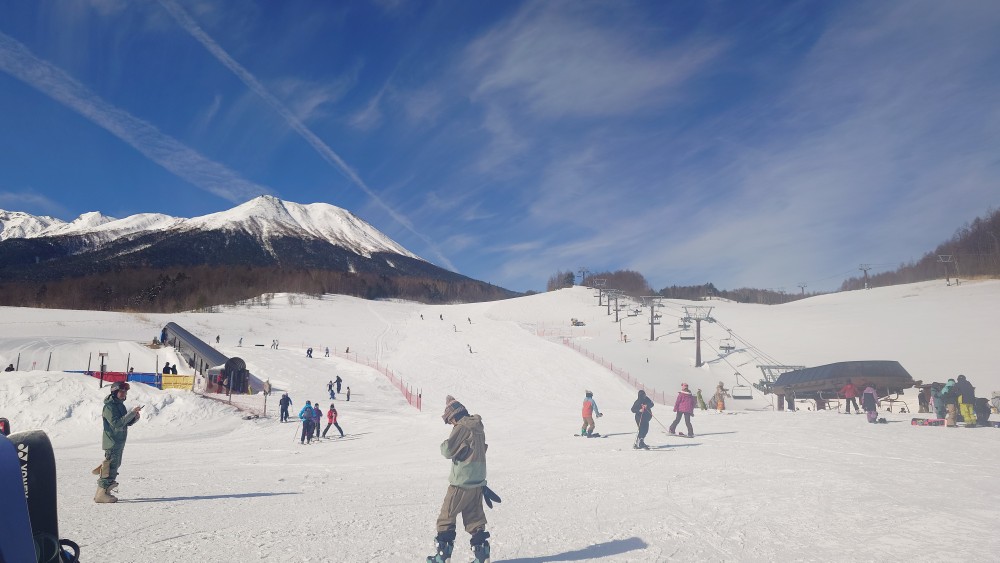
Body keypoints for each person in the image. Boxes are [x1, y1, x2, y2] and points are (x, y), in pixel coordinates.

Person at [428, 396, 490, 563]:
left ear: (455, 415)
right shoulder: (478, 426)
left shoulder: (462, 426)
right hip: (477, 482)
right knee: (474, 518)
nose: (451, 424)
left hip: (461, 483)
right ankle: (482, 556)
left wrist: (445, 443)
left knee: (446, 517)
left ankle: (443, 556)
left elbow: (447, 451)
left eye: (450, 420)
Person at [95, 381, 142, 503]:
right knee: (109, 467)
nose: (124, 394)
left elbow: (125, 422)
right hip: (112, 442)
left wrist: (134, 418)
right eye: (121, 391)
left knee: (114, 466)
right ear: (115, 392)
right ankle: (101, 494)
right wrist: (131, 413)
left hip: (119, 441)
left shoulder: (120, 405)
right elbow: (117, 424)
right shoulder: (109, 407)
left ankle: (105, 492)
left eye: (125, 391)